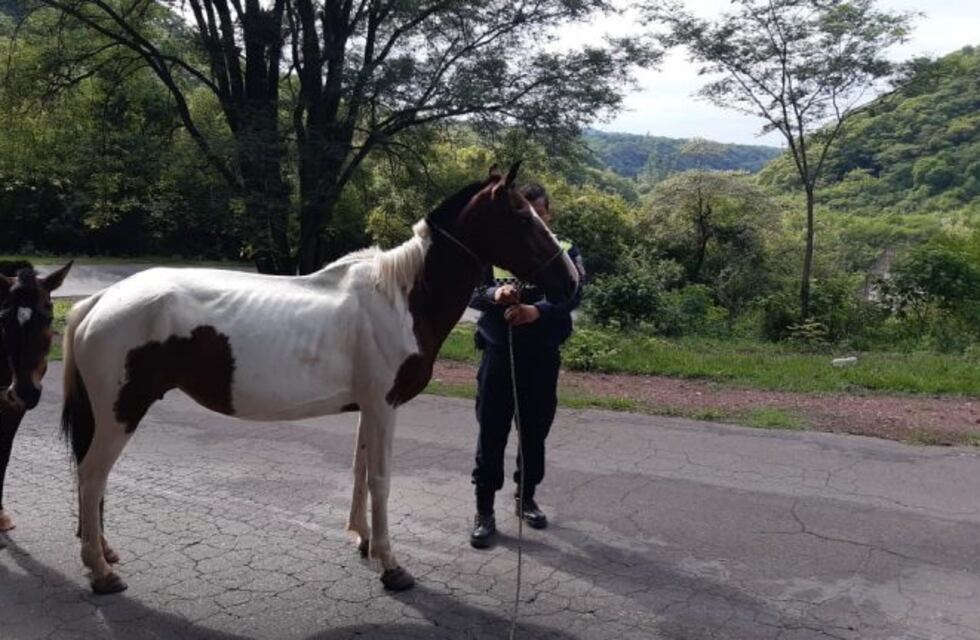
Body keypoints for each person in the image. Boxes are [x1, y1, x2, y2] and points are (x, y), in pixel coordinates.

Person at [467, 183, 585, 548]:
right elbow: (472, 291)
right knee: (491, 431)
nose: (536, 218)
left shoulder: (564, 249)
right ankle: (484, 511)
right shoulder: (495, 249)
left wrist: (537, 311)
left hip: (542, 355)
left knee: (534, 433)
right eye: (528, 213)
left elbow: (575, 292)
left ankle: (525, 497)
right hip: (500, 354)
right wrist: (494, 294)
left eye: (541, 212)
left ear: (548, 215)